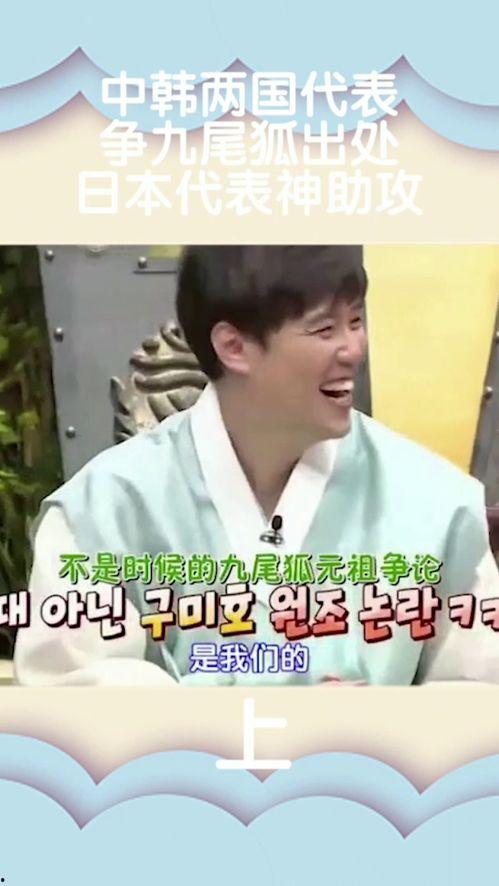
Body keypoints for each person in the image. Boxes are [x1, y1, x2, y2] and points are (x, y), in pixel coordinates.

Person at [14, 245, 499, 686]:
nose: (354, 349)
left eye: (355, 320)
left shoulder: (438, 505)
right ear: (234, 347)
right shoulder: (103, 511)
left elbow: (477, 699)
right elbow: (72, 707)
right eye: (325, 329)